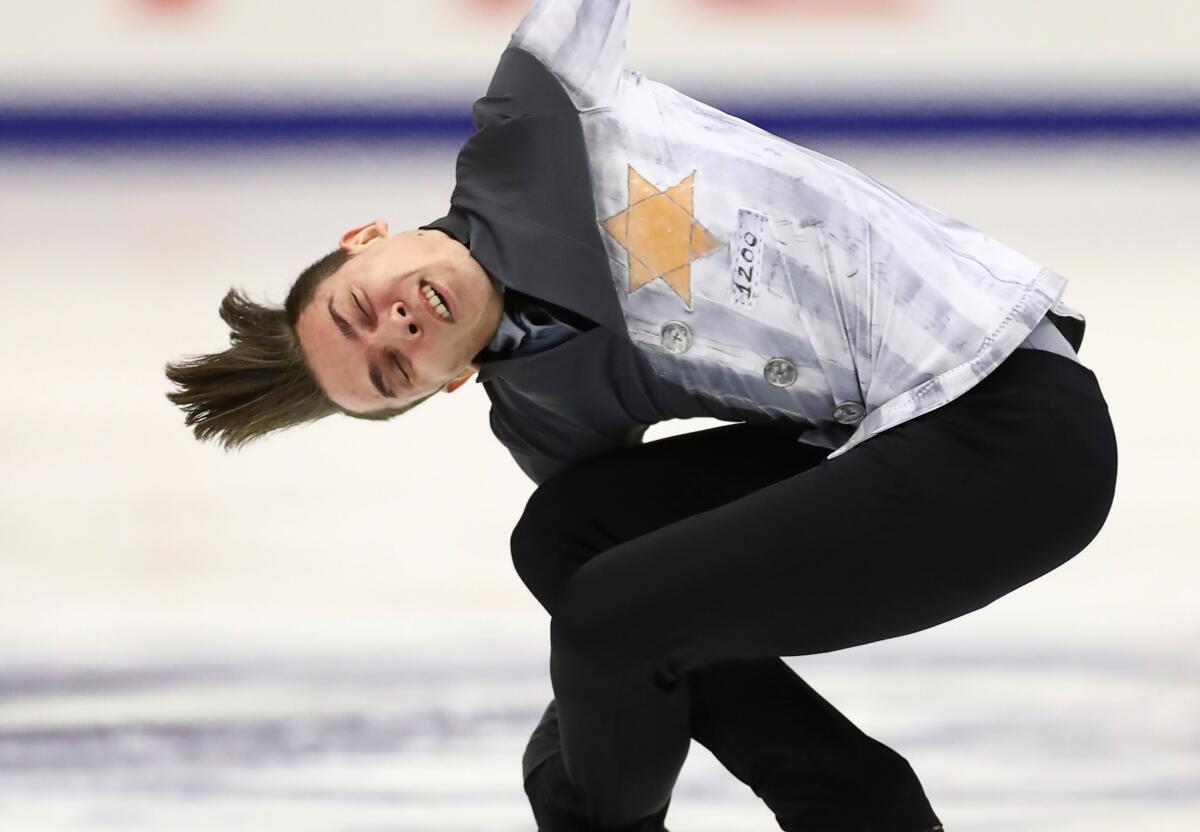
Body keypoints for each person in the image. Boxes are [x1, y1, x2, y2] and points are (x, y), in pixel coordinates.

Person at [164, 1, 1118, 829]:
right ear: (439, 388)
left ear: (365, 238)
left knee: (606, 628)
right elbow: (628, 605)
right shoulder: (543, 411)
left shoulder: (539, 107)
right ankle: (856, 805)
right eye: (389, 371)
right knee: (566, 545)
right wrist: (579, 742)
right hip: (897, 445)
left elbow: (618, 627)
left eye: (357, 308)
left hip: (1012, 429)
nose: (398, 329)